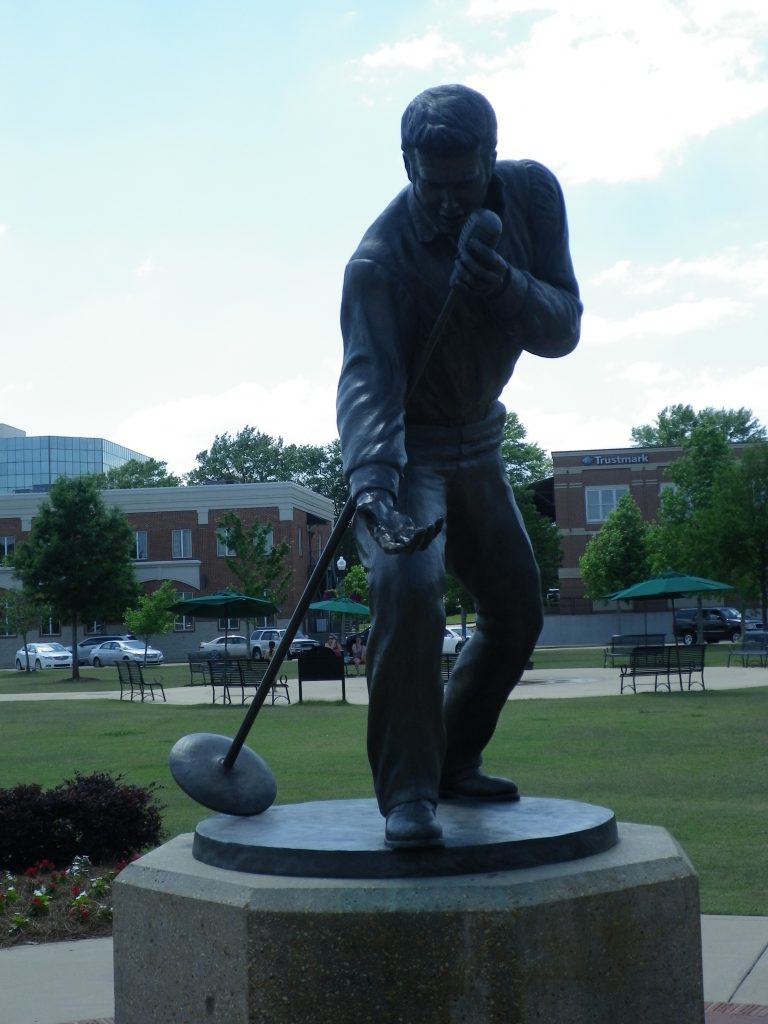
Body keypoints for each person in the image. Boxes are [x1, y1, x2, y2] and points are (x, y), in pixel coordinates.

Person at [336, 84, 581, 849]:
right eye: (428, 185)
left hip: (481, 442)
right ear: (406, 164)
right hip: (409, 451)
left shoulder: (534, 195)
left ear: (491, 159)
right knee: (408, 589)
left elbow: (563, 328)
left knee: (517, 611)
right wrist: (373, 483)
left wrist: (505, 284)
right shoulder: (378, 264)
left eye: (463, 184)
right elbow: (367, 380)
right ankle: (408, 793)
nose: (446, 203)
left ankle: (453, 759)